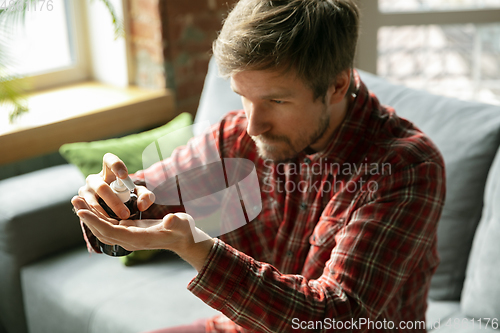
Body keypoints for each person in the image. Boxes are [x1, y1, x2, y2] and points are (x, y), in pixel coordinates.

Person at [71, 0, 446, 332]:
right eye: (243, 96)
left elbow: (338, 318)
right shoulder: (236, 136)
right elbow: (148, 202)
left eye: (277, 101)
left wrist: (200, 249)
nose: (253, 125)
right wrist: (112, 205)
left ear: (336, 85)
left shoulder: (407, 167)